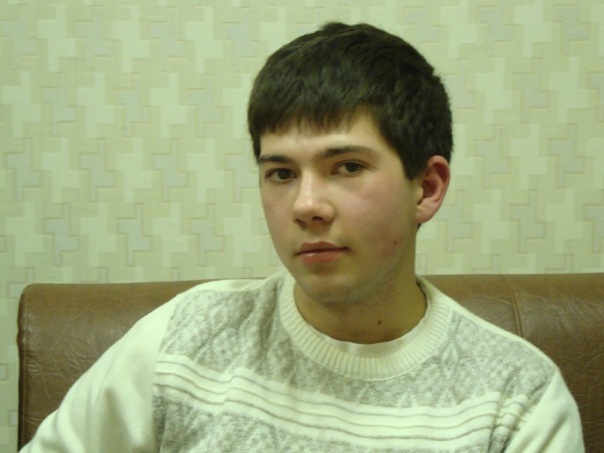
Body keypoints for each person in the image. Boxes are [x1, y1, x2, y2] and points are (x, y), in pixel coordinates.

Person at [22, 22, 583, 452]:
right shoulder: (179, 343)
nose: (306, 206)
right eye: (281, 174)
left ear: (427, 188)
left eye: (347, 167)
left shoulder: (517, 400)